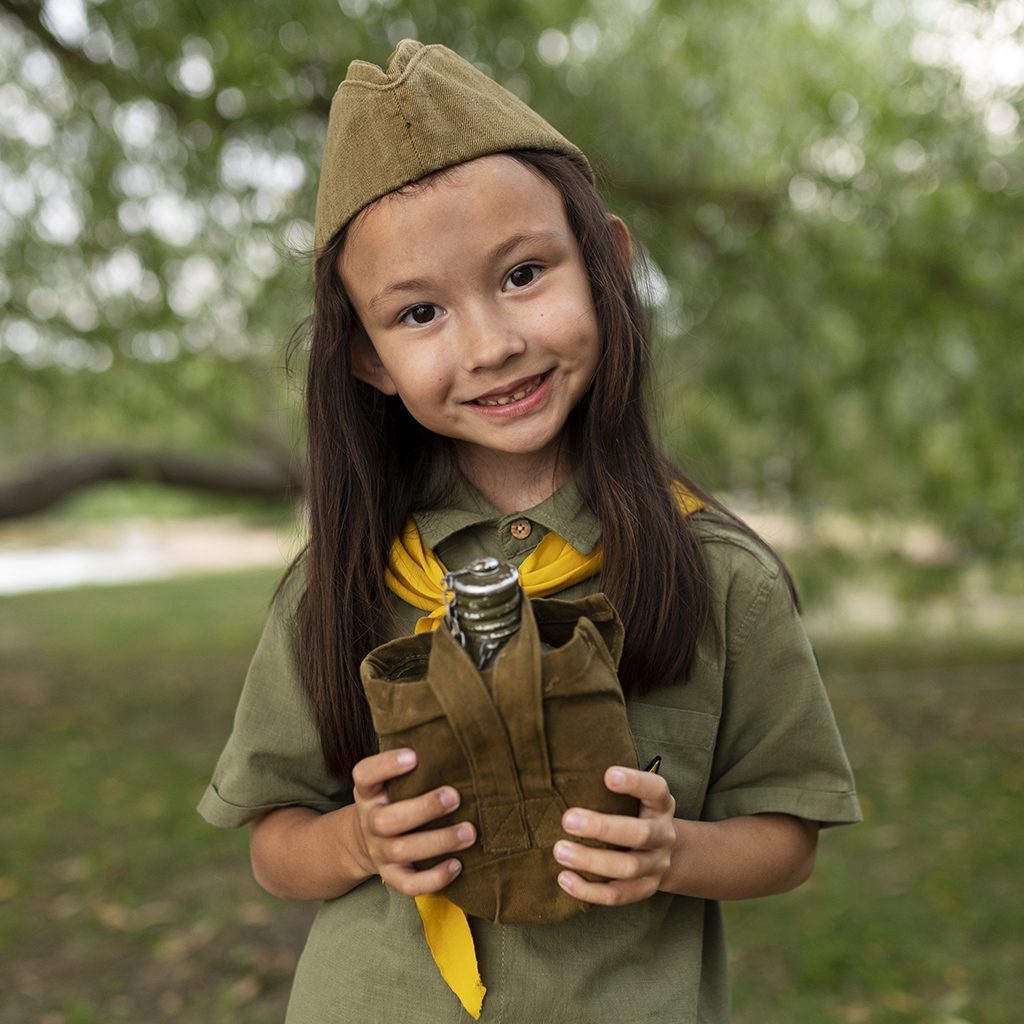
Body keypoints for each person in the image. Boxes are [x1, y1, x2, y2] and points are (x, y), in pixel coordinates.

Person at [198, 39, 861, 1023]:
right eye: (420, 312)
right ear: (369, 359)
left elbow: (787, 837)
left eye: (521, 274)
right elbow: (273, 841)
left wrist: (675, 852)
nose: (490, 344)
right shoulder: (339, 584)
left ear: (608, 264)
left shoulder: (719, 576)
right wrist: (358, 842)